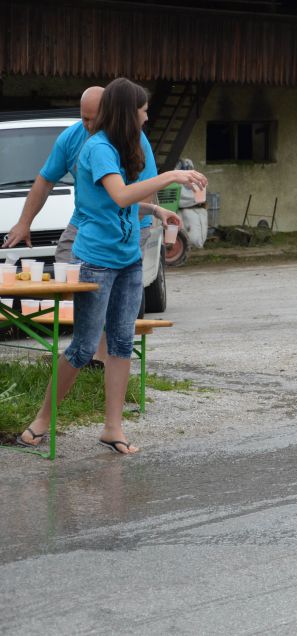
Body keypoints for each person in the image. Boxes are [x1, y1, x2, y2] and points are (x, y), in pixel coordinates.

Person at [16, 77, 206, 454]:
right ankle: (41, 420)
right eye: (143, 110)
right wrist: (170, 175)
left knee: (121, 344)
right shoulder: (98, 148)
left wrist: (155, 208)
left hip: (128, 260)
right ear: (126, 112)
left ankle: (112, 428)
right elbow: (118, 196)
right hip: (96, 261)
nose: (148, 117)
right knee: (84, 348)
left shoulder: (126, 145)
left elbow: (123, 200)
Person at [2, 85, 181, 366]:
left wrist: (152, 211)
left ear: (111, 113)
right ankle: (84, 347)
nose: (87, 125)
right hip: (87, 220)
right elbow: (45, 179)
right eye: (83, 118)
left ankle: (99, 356)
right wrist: (24, 222)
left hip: (129, 221)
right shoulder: (75, 138)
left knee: (114, 295)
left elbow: (137, 194)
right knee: (70, 271)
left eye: (93, 118)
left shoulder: (134, 140)